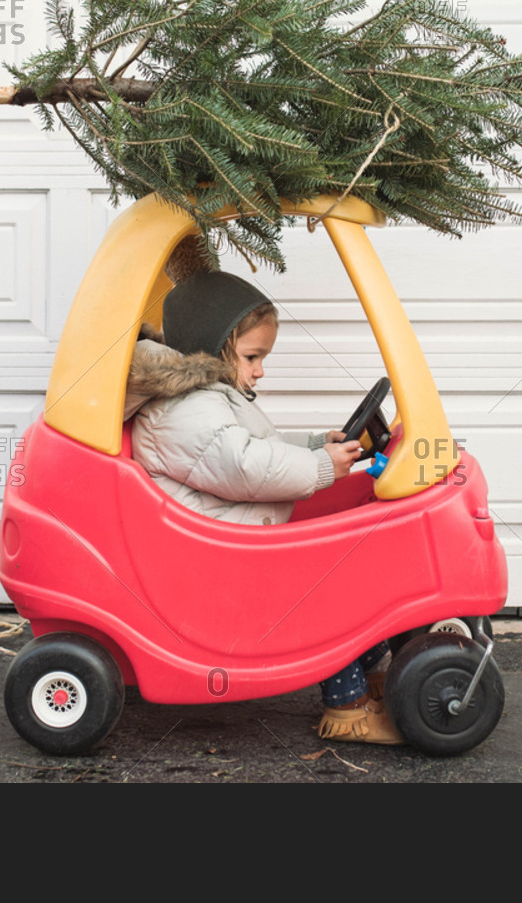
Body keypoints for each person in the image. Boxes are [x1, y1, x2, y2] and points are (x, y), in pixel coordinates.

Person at [121, 268, 404, 744]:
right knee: (322, 588)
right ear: (213, 347)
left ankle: (377, 674)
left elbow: (258, 444)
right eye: (252, 357)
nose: (260, 370)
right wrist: (318, 466)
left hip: (228, 536)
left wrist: (319, 444)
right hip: (211, 555)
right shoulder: (182, 409)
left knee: (345, 564)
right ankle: (348, 708)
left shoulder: (202, 396)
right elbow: (245, 466)